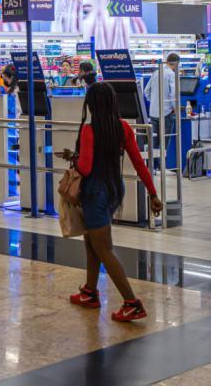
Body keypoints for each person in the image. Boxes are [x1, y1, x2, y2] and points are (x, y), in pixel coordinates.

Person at [65, 82, 162, 322]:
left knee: (104, 248)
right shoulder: (123, 127)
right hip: (114, 189)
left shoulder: (89, 130)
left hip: (94, 192)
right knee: (92, 242)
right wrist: (152, 193)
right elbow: (138, 162)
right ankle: (90, 292)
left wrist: (74, 160)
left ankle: (132, 303)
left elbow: (85, 168)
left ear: (91, 105)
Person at [144, 53, 178, 152]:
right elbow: (173, 94)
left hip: (153, 113)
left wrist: (154, 101)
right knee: (165, 144)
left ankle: (152, 162)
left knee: (153, 143)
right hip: (166, 113)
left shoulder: (156, 72)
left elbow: (146, 91)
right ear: (176, 63)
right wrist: (176, 109)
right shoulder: (171, 74)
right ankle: (163, 162)